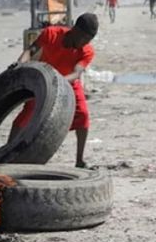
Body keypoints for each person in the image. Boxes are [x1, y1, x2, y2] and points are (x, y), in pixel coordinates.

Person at [10, 13, 98, 168]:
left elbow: (77, 73)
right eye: (83, 38)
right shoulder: (50, 34)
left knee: (83, 116)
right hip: (43, 80)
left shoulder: (87, 51)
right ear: (75, 30)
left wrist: (60, 81)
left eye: (88, 40)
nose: (84, 43)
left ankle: (79, 160)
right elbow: (30, 51)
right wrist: (19, 64)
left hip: (68, 83)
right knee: (26, 115)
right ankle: (8, 153)